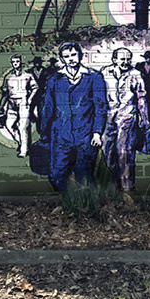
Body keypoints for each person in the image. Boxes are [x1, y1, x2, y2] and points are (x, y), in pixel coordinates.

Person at [39, 41, 108, 192]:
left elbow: (100, 107)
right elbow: (48, 108)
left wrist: (97, 133)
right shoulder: (55, 80)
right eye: (66, 56)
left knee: (84, 176)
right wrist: (44, 132)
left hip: (86, 135)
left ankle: (85, 208)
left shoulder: (93, 77)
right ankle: (67, 202)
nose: (71, 59)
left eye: (73, 55)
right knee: (57, 174)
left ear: (80, 55)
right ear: (62, 59)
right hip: (61, 135)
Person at [100, 47, 150, 194]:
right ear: (114, 60)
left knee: (125, 153)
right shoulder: (104, 72)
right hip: (108, 117)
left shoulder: (135, 74)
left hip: (127, 116)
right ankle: (114, 185)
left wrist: (145, 119)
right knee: (107, 152)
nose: (126, 62)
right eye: (122, 59)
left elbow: (141, 98)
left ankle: (128, 189)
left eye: (128, 58)